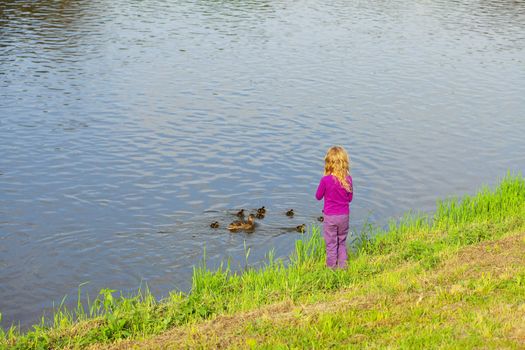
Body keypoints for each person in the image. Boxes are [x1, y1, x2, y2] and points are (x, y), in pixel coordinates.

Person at [315, 146, 353, 268]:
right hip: (344, 217)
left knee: (331, 244)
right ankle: (343, 267)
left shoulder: (325, 180)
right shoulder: (348, 179)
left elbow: (318, 196)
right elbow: (350, 199)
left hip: (330, 217)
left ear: (328, 164)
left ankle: (331, 269)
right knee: (341, 242)